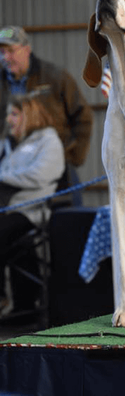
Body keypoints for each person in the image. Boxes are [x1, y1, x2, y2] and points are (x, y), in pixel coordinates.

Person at [0, 25, 93, 204]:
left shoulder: (54, 77)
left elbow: (83, 116)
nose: (6, 58)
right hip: (13, 166)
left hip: (52, 162)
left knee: (67, 215)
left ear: (26, 50)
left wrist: (72, 156)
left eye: (11, 51)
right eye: (2, 53)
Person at [0, 95, 65, 316]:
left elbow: (40, 175)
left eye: (14, 114)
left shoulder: (48, 141)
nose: (9, 119)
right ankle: (22, 305)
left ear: (31, 115)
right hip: (8, 209)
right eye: (9, 114)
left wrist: (3, 176)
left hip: (31, 210)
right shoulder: (13, 144)